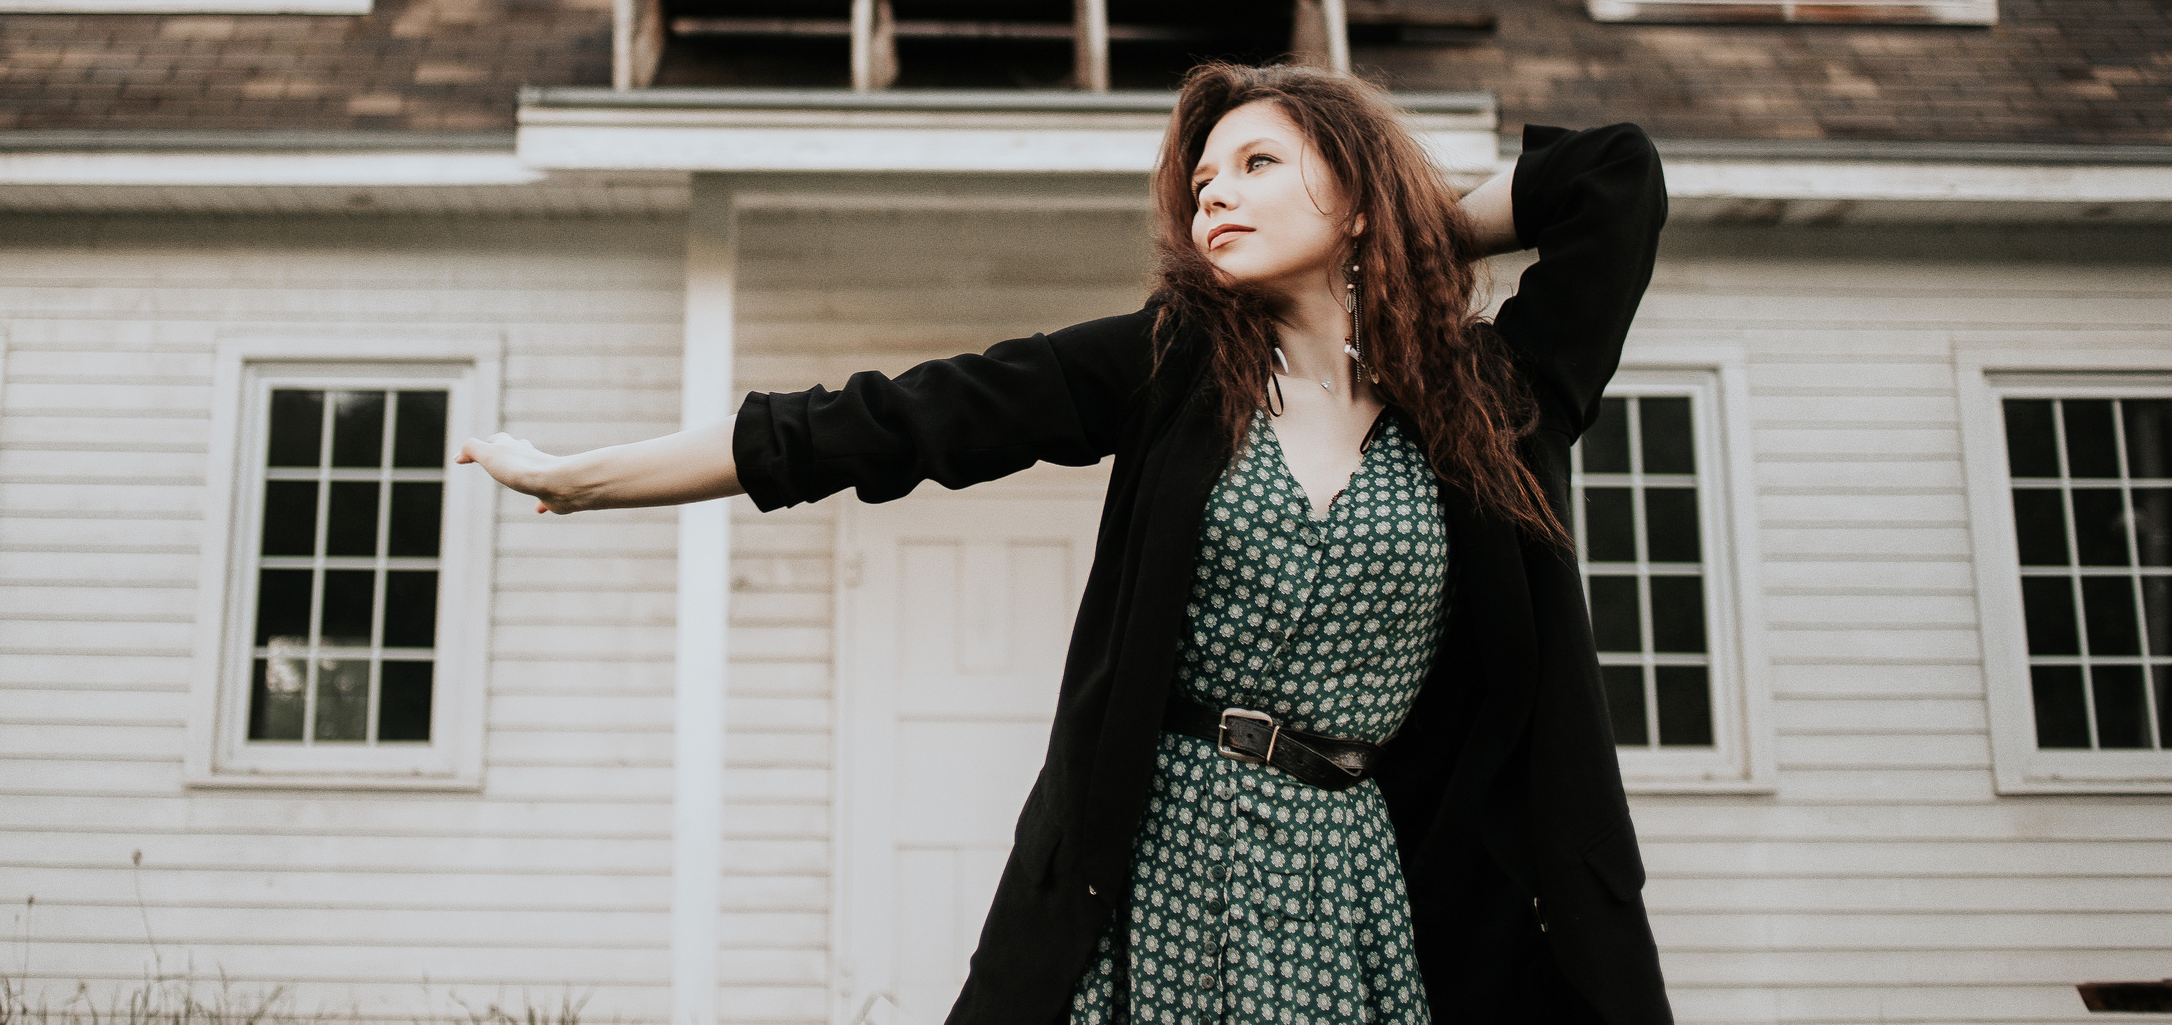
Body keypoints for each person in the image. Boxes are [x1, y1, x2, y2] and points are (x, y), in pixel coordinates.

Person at [459, 63, 1675, 1025]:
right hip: (1163, 853)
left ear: (1352, 192)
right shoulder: (1168, 365)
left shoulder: (1487, 399)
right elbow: (890, 420)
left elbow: (1611, 178)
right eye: (1203, 179)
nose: (1215, 193)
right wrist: (584, 478)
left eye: (1258, 163)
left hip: (1357, 870)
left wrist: (1411, 236)